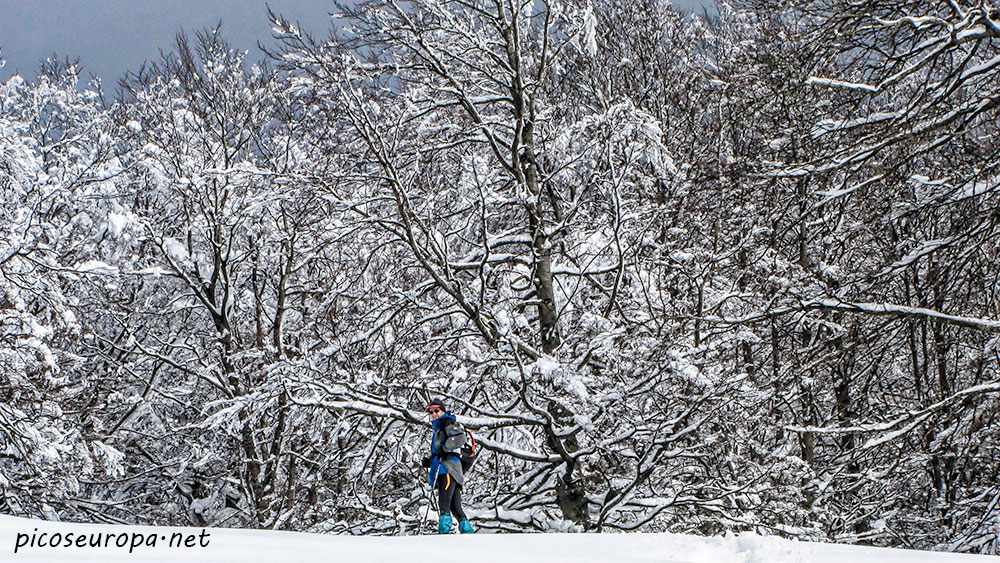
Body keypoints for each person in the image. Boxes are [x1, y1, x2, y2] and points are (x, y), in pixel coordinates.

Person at [421, 398, 474, 534]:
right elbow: (438, 451)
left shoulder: (448, 424)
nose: (433, 414)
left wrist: (445, 448)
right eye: (431, 412)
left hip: (448, 469)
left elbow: (460, 438)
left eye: (436, 411)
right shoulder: (439, 428)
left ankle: (443, 533)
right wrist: (430, 460)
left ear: (443, 410)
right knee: (455, 507)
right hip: (450, 469)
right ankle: (467, 532)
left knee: (444, 503)